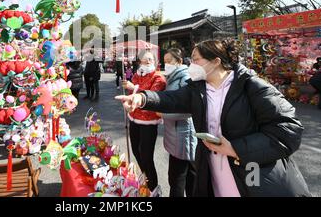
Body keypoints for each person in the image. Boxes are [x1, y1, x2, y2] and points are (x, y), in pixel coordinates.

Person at [116, 39, 310, 197]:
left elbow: (289, 130)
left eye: (195, 59)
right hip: (214, 172)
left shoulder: (251, 86)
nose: (190, 65)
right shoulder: (197, 88)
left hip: (253, 174)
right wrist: (141, 98)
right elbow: (171, 98)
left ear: (215, 61)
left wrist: (236, 148)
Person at [122, 50, 166, 191]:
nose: (147, 62)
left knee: (147, 156)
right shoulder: (136, 74)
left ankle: (153, 187)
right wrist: (127, 100)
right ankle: (144, 178)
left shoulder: (158, 77)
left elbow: (152, 96)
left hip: (149, 121)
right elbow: (131, 95)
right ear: (139, 62)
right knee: (136, 150)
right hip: (134, 118)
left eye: (150, 59)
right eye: (144, 59)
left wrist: (133, 87)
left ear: (154, 61)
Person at [162, 48, 197, 197]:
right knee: (183, 176)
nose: (166, 64)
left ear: (180, 61)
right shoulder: (172, 77)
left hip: (183, 136)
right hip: (174, 136)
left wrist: (161, 113)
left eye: (169, 61)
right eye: (164, 62)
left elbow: (188, 110)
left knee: (178, 179)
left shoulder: (185, 79)